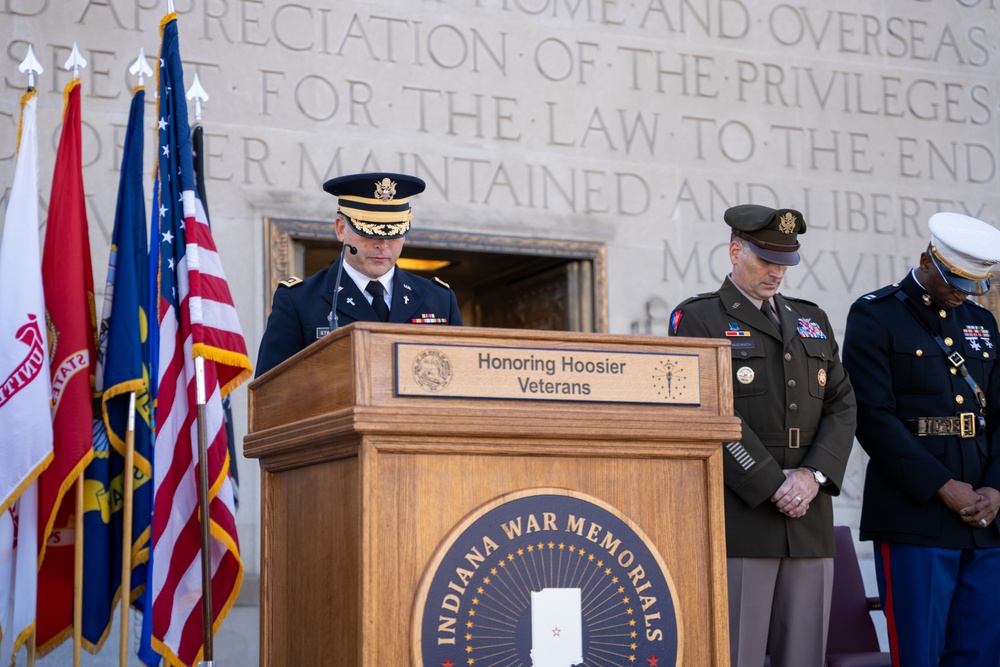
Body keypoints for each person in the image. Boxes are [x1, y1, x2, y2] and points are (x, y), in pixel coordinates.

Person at [668, 204, 856, 667]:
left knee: (804, 657)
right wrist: (772, 482)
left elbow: (843, 404)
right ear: (735, 251)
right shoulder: (699, 319)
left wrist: (812, 475)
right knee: (736, 654)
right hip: (741, 519)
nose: (777, 272)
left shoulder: (811, 319)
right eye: (766, 260)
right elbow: (705, 411)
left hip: (808, 519)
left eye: (785, 262)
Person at [842, 211, 1000, 667]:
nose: (963, 294)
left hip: (985, 518)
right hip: (917, 513)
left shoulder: (981, 324)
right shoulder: (876, 314)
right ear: (926, 261)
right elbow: (872, 417)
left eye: (975, 285)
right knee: (919, 653)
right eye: (955, 281)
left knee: (981, 654)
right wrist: (941, 486)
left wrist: (996, 488)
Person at [256, 172, 462, 376]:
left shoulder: (440, 299)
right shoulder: (298, 300)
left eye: (393, 233)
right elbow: (270, 393)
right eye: (369, 232)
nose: (382, 245)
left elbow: (461, 380)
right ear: (341, 229)